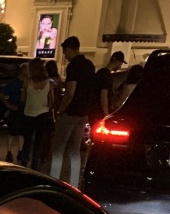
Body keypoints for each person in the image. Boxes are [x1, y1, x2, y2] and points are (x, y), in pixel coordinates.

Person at [49, 35, 94, 187]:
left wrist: (61, 110)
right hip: (83, 112)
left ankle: (54, 178)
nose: (64, 54)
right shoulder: (89, 65)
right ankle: (75, 181)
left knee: (59, 147)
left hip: (71, 111)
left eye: (65, 51)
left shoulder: (73, 66)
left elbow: (70, 91)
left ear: (70, 49)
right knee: (75, 149)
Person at [21, 58, 55, 170]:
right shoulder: (48, 83)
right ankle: (35, 166)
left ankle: (24, 165)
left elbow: (23, 99)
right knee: (38, 142)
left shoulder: (28, 82)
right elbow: (52, 100)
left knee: (27, 141)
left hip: (29, 113)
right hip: (43, 113)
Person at [0, 61, 28, 162]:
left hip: (24, 109)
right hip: (15, 109)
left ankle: (20, 151)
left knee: (22, 132)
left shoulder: (28, 82)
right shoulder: (14, 83)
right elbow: (1, 94)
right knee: (12, 131)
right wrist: (9, 105)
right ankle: (9, 152)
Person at [92, 50, 125, 125]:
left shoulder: (101, 72)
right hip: (99, 112)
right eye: (120, 64)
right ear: (116, 61)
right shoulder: (106, 75)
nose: (120, 66)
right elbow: (104, 94)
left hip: (94, 110)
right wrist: (106, 113)